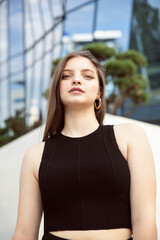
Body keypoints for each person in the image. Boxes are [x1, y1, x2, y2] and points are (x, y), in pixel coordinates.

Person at [12, 51, 157, 240]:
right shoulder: (35, 155)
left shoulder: (130, 136)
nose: (76, 80)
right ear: (57, 89)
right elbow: (24, 233)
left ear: (99, 93)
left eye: (87, 76)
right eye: (66, 76)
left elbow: (145, 219)